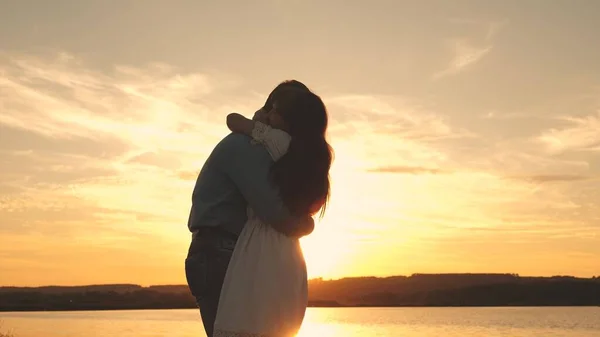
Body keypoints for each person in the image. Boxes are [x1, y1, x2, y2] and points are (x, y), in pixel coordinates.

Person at [185, 80, 317, 337]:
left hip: (224, 253)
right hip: (221, 256)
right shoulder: (248, 147)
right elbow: (276, 213)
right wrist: (308, 224)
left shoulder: (262, 146)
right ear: (272, 112)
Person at [213, 89, 332, 336]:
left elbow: (232, 119)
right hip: (290, 257)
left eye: (275, 110)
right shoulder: (311, 156)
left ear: (291, 120)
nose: (270, 114)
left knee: (246, 322)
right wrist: (307, 226)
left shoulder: (276, 141)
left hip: (259, 249)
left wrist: (256, 122)